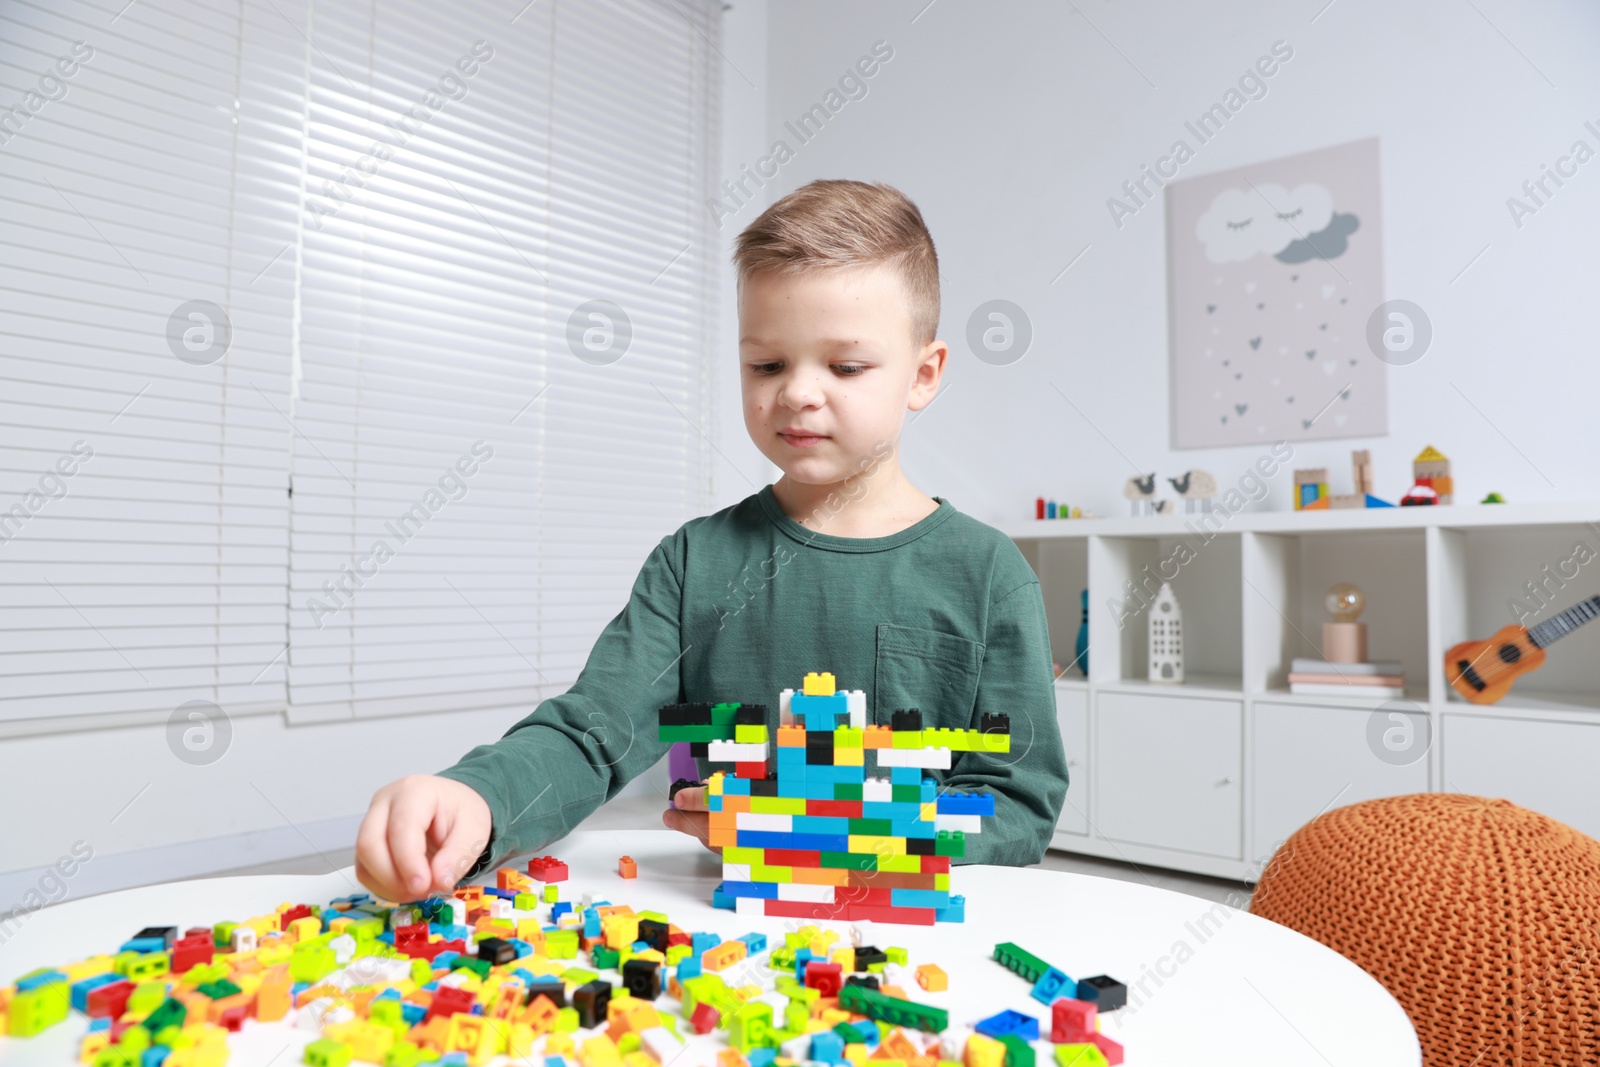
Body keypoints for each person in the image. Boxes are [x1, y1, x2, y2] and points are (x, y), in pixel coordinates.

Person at [354, 179, 1069, 902]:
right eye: (767, 364)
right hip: (729, 933)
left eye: (845, 366)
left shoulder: (986, 573)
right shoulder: (694, 562)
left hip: (911, 930)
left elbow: (1018, 804)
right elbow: (590, 733)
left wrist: (825, 833)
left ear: (923, 375)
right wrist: (477, 797)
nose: (797, 392)